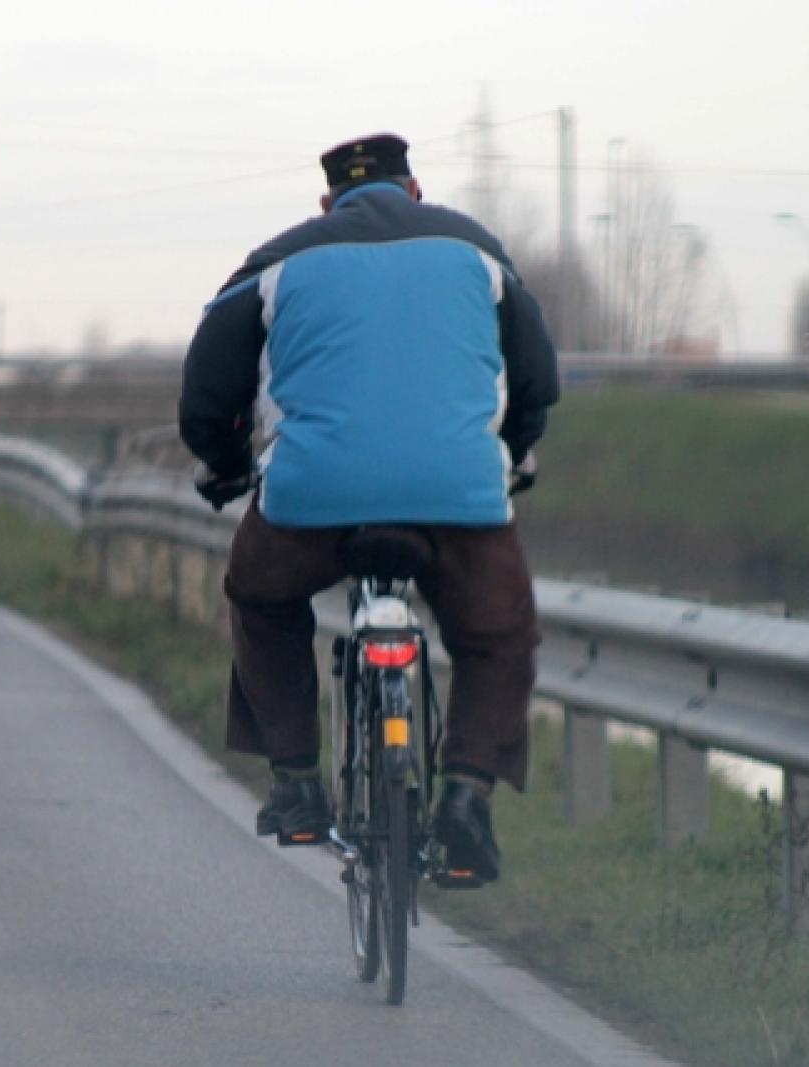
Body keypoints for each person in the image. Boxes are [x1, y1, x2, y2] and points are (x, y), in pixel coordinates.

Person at [178, 133, 558, 884]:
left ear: (328, 203)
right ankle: (466, 797)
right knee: (500, 633)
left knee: (258, 595)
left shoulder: (276, 262)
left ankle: (296, 784)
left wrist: (223, 465)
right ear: (414, 190)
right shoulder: (479, 253)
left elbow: (206, 391)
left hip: (313, 498)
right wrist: (511, 454)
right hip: (458, 499)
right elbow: (537, 379)